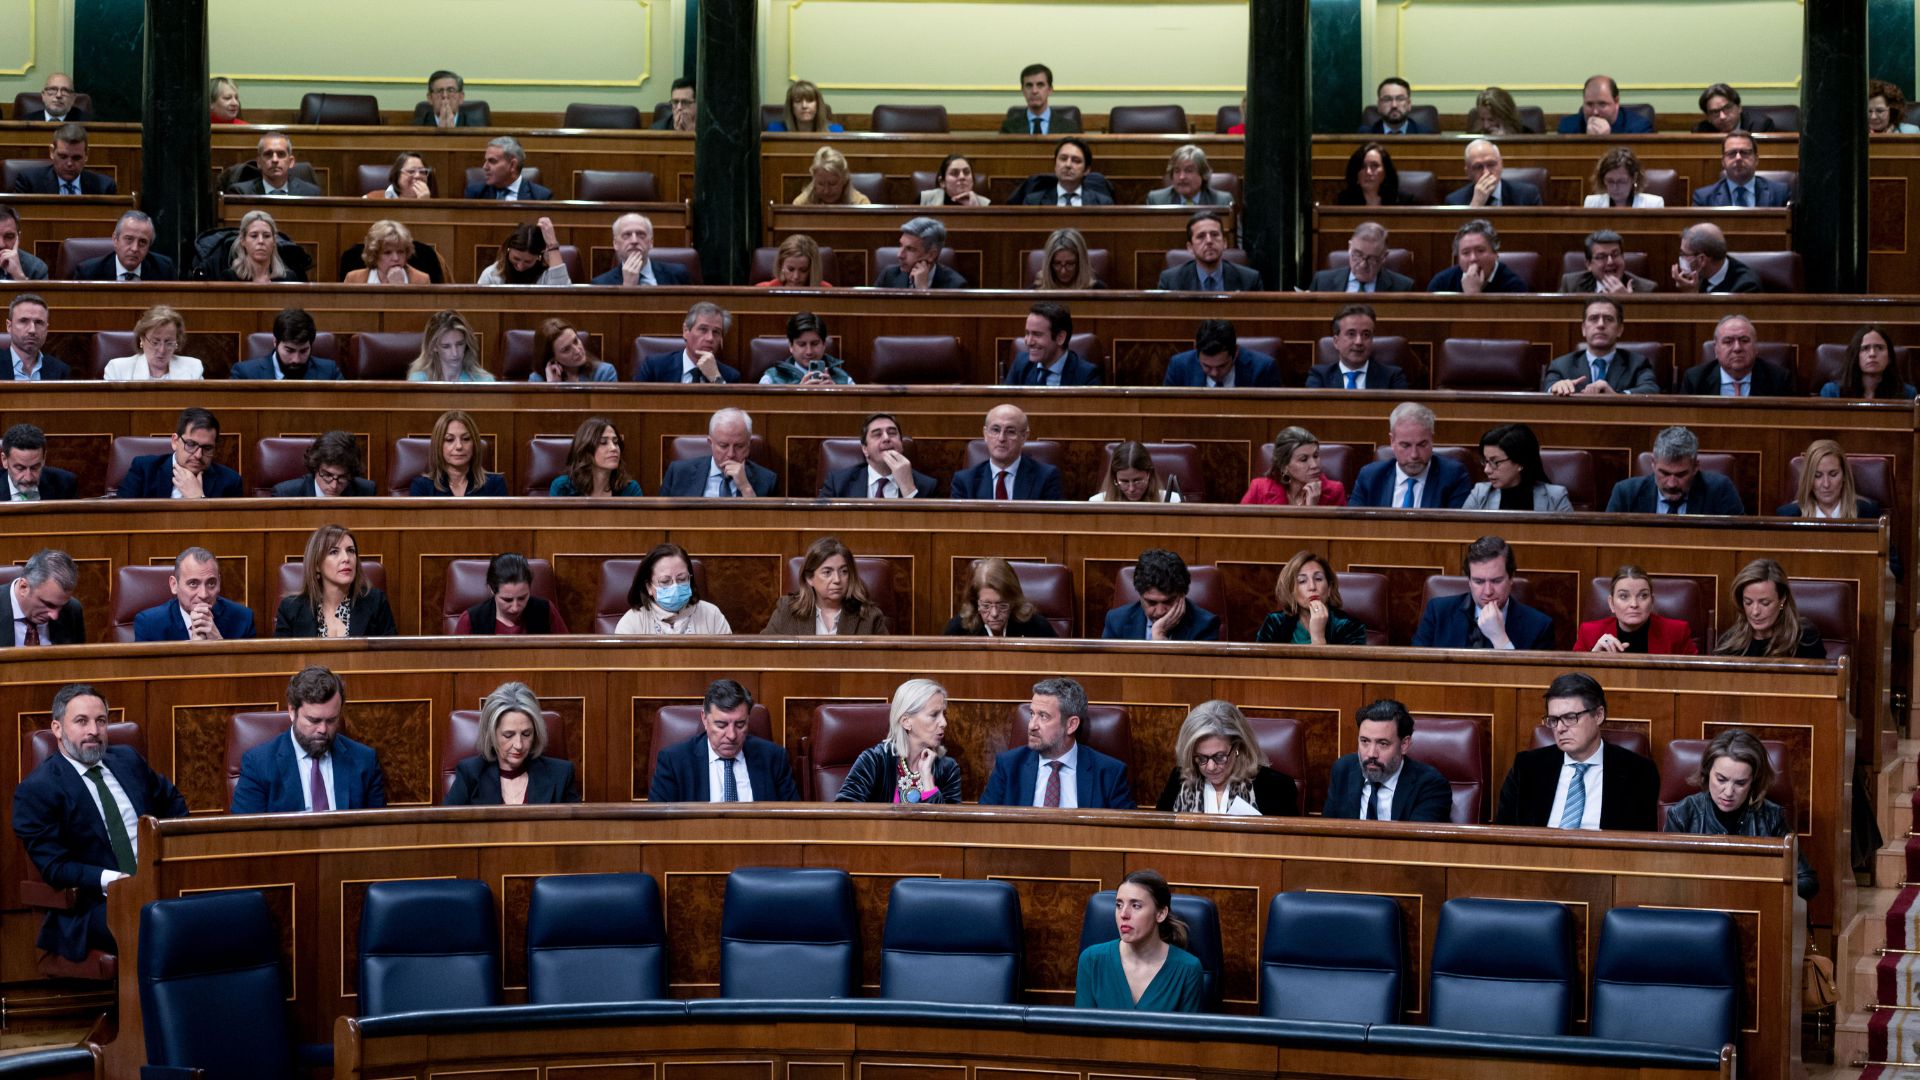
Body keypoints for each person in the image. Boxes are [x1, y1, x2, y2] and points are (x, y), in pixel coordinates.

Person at [12, 683, 186, 964]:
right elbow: (55, 867)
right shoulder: (38, 789)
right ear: (57, 728)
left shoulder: (128, 761)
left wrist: (175, 859)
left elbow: (173, 803)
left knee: (225, 913)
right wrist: (113, 880)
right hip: (95, 905)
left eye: (101, 721)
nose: (94, 730)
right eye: (81, 721)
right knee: (162, 926)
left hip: (159, 886)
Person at [1493, 672, 1659, 830]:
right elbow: (1503, 834)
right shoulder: (1526, 768)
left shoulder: (1639, 772)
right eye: (1554, 720)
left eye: (1570, 717)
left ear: (1599, 715)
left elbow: (1640, 846)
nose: (1560, 728)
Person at [1664, 729, 1817, 899]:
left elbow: (1807, 881)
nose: (1729, 792)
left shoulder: (1771, 817)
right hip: (1700, 912)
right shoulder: (1682, 814)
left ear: (1754, 781)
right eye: (1721, 779)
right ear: (1707, 773)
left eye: (1741, 783)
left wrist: (1758, 891)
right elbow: (1666, 880)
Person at [230, 666, 388, 813]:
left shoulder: (365, 761)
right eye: (314, 720)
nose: (323, 730)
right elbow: (245, 838)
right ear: (292, 711)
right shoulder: (259, 765)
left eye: (332, 720)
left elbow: (378, 835)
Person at [981, 677, 1133, 807]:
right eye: (1032, 714)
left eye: (1043, 716)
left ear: (1071, 725)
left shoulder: (1109, 774)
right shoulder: (1008, 767)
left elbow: (1126, 835)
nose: (1032, 725)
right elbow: (982, 828)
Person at [649, 679, 803, 802]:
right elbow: (659, 827)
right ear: (704, 718)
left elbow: (793, 822)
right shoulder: (674, 762)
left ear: (748, 719)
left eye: (740, 724)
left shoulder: (774, 758)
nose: (732, 735)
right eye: (721, 725)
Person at [1074, 869, 1203, 1013]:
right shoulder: (1091, 960)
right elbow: (1083, 1031)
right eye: (1119, 905)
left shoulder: (1188, 969)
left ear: (1160, 914)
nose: (1123, 914)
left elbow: (1187, 1034)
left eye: (1136, 906)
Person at [1411, 535, 1557, 650]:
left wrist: (1500, 638)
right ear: (1469, 580)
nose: (1488, 592)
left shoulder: (1539, 626)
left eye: (1496, 581)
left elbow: (1531, 684)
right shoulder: (1437, 613)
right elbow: (1417, 671)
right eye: (1479, 582)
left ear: (1511, 578)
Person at [444, 682, 579, 805]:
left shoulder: (561, 774)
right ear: (491, 735)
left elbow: (576, 829)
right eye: (508, 735)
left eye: (526, 734)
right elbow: (446, 828)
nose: (519, 745)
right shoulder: (470, 773)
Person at [1154, 701, 1297, 815]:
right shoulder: (1179, 780)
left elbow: (1287, 846)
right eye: (1201, 758)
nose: (1210, 766)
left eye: (1220, 756)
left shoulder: (1275, 787)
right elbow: (1158, 835)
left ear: (1238, 747)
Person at [1322, 700, 1453, 821]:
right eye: (1365, 741)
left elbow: (1417, 845)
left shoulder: (1429, 785)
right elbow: (1325, 835)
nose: (1371, 753)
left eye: (1383, 743)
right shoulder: (1343, 771)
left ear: (1404, 745)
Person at [837, 679, 962, 803]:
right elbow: (845, 813)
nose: (944, 723)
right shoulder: (874, 761)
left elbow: (948, 822)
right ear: (906, 722)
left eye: (943, 714)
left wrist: (928, 781)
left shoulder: (948, 768)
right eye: (934, 715)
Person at [273, 525, 397, 638]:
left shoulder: (376, 602)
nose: (346, 558)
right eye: (334, 552)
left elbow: (391, 656)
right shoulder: (290, 609)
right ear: (317, 565)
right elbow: (281, 660)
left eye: (351, 551)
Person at [1351, 402, 1473, 509]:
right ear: (1392, 441)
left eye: (1422, 445)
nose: (1414, 455)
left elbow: (1456, 531)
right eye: (1406, 445)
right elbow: (1353, 527)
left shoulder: (1453, 476)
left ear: (1432, 439)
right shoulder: (1370, 477)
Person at [761, 536, 892, 634]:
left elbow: (886, 663)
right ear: (809, 578)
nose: (837, 579)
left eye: (844, 572)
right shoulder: (787, 611)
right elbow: (763, 654)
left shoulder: (869, 617)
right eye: (827, 572)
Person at [1604, 426, 1747, 515]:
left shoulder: (1720, 491)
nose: (1671, 484)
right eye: (1664, 473)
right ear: (1653, 464)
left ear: (1696, 467)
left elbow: (1740, 539)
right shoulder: (1625, 494)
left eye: (1681, 474)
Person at [132, 547, 255, 642]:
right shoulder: (149, 624)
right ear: (174, 585)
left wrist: (218, 643)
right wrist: (191, 649)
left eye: (211, 583)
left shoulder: (242, 619)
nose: (203, 594)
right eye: (193, 584)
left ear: (219, 583)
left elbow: (250, 672)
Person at [1544, 298, 1661, 395]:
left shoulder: (1637, 363)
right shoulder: (1561, 366)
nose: (1600, 325)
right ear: (1583, 329)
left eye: (1608, 319)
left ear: (1620, 329)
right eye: (1593, 318)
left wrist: (1616, 396)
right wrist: (1555, 388)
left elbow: (1651, 390)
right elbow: (1547, 391)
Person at [1575, 564, 1699, 655]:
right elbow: (1572, 682)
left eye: (1643, 596)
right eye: (1624, 596)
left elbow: (1695, 678)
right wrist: (1591, 657)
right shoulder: (1589, 633)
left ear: (1652, 602)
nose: (1634, 604)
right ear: (1611, 603)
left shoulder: (1677, 632)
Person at [1715, 559, 1826, 659]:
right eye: (1748, 602)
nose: (1755, 612)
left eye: (1765, 603)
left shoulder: (1805, 637)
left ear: (1782, 599)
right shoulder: (1730, 642)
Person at [118, 407, 240, 498]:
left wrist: (199, 499)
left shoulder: (230, 482)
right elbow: (121, 519)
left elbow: (229, 530)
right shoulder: (144, 469)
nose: (198, 455)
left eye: (207, 448)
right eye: (191, 445)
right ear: (175, 442)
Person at [1102, 549, 1219, 641]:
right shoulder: (1116, 621)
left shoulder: (1205, 626)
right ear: (1140, 595)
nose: (1160, 612)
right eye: (1151, 603)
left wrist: (1159, 635)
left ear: (1182, 595)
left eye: (1168, 602)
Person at [951, 404, 1064, 500]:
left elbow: (1052, 523)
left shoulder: (1046, 477)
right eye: (995, 430)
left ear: (1024, 436)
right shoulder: (964, 481)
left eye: (1010, 432)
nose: (1001, 438)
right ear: (985, 434)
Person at [1255, 550, 1368, 645]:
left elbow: (1348, 670)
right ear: (1291, 591)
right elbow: (1260, 666)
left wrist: (1318, 636)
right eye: (1302, 581)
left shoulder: (1350, 627)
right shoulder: (1274, 623)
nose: (1312, 587)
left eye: (1318, 579)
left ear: (1329, 588)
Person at [616, 542, 731, 634]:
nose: (675, 587)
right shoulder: (632, 623)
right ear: (649, 587)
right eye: (665, 581)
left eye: (682, 579)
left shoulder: (712, 615)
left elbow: (727, 660)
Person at [816, 413, 939, 498]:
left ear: (901, 445)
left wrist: (908, 488)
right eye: (877, 434)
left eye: (892, 433)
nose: (886, 438)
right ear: (865, 449)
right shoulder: (838, 483)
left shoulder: (927, 486)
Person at [663, 408, 779, 498]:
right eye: (723, 446)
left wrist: (745, 488)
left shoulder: (767, 480)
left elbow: (765, 526)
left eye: (739, 446)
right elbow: (660, 518)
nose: (731, 454)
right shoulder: (679, 473)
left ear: (748, 445)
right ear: (710, 443)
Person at [1461, 423, 1572, 511]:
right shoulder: (1480, 494)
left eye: (1495, 462)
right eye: (1486, 461)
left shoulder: (1555, 497)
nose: (1487, 470)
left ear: (1520, 462)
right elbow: (1464, 535)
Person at [452, 553, 570, 635]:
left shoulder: (546, 611)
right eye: (507, 600)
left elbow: (567, 656)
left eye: (522, 598)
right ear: (492, 590)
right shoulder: (471, 620)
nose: (515, 608)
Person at [1778, 438, 1886, 524]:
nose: (1826, 484)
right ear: (1808, 479)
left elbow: (1887, 551)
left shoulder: (1868, 512)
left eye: (1833, 474)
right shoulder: (1788, 516)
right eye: (1817, 476)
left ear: (1844, 475)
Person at [1680, 314, 1792, 396]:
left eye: (1744, 340)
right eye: (1728, 342)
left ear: (1756, 347)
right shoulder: (1694, 380)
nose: (1737, 348)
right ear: (1716, 349)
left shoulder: (1779, 379)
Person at [945, 558, 1059, 637]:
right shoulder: (958, 629)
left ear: (1013, 602)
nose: (994, 613)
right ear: (976, 603)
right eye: (986, 605)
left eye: (1002, 605)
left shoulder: (1036, 626)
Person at [634, 302, 741, 383]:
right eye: (703, 329)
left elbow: (731, 410)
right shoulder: (655, 367)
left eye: (716, 332)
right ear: (686, 331)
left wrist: (716, 379)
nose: (710, 338)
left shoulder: (730, 376)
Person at [1307, 302, 1409, 385]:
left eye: (1366, 335)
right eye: (1351, 334)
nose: (1359, 342)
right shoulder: (1319, 376)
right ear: (1336, 341)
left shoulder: (1393, 377)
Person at [409, 409, 506, 496]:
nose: (459, 446)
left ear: (475, 444)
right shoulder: (422, 487)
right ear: (438, 445)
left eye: (466, 439)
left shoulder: (495, 484)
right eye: (449, 439)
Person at [1157, 212, 1262, 292]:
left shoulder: (1249, 279)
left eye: (1214, 234)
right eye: (1201, 236)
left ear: (1224, 243)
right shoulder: (1170, 281)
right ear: (1190, 247)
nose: (1209, 241)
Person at [1242, 427, 1346, 506]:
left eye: (1316, 456)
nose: (1314, 465)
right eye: (1303, 459)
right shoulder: (1259, 489)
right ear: (1284, 467)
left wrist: (1313, 511)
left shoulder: (1334, 492)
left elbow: (1338, 533)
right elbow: (1240, 528)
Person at [1006, 300, 1101, 385]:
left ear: (1060, 338)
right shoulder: (1020, 365)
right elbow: (1005, 403)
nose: (1029, 341)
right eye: (1027, 333)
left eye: (1037, 334)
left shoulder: (1086, 375)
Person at [1164, 318, 1280, 388]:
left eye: (1222, 366)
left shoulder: (1264, 369)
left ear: (1236, 352)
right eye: (1207, 366)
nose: (1214, 373)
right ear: (1196, 349)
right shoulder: (1178, 367)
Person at [233, 307, 341, 381]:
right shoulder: (244, 374)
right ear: (275, 342)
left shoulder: (329, 372)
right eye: (289, 350)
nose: (296, 360)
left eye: (303, 351)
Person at [103, 305, 203, 381]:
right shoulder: (117, 370)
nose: (162, 350)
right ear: (142, 339)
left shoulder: (193, 368)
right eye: (155, 342)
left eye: (169, 343)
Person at [1426, 219, 1528, 294]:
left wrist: (1473, 294)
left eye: (1480, 251)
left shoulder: (1514, 287)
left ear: (1495, 253)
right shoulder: (1441, 283)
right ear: (1458, 258)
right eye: (1466, 253)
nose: (1473, 258)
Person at [1309, 223, 1415, 294]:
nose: (1363, 264)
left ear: (1384, 257)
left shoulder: (1403, 287)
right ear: (1349, 247)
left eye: (1372, 258)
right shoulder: (1322, 282)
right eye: (1358, 255)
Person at [8, 124, 115, 195]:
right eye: (63, 156)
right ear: (51, 152)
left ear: (86, 154)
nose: (69, 164)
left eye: (76, 158)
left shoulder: (104, 187)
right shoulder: (30, 183)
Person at [591, 213, 692, 286]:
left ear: (650, 242)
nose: (634, 240)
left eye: (641, 235)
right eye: (627, 235)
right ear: (616, 244)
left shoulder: (677, 274)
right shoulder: (601, 284)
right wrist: (628, 288)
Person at [549, 417, 642, 496]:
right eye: (603, 442)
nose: (613, 448)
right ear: (586, 449)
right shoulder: (563, 487)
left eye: (615, 442)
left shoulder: (630, 489)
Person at [7, 549, 85, 645]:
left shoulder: (72, 610)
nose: (54, 616)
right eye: (48, 604)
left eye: (61, 606)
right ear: (24, 587)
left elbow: (77, 659)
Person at [1692, 132, 1788, 207]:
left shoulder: (1780, 193)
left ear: (1756, 159)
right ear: (1723, 161)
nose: (1738, 158)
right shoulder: (1704, 198)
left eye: (1744, 152)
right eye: (1732, 153)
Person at [74, 210, 175, 282]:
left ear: (150, 245)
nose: (135, 248)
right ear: (115, 239)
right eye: (129, 239)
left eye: (142, 242)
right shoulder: (88, 273)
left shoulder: (164, 270)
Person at [1011, 137, 1116, 205]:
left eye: (1076, 160)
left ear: (1087, 170)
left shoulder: (1103, 203)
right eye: (1063, 158)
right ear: (1055, 165)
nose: (1068, 165)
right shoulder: (1033, 201)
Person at [873, 217, 970, 289]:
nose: (899, 255)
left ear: (931, 255)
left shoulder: (956, 286)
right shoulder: (889, 275)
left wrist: (923, 290)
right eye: (901, 245)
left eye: (910, 249)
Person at [1822, 324, 1915, 398]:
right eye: (1865, 348)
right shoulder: (1832, 392)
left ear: (1889, 356)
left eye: (1879, 348)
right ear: (1855, 356)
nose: (1872, 354)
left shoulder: (1908, 394)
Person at [760, 310, 851, 385]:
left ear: (824, 345)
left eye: (814, 343)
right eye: (802, 344)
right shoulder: (770, 380)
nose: (809, 352)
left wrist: (837, 396)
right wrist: (799, 395)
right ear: (791, 346)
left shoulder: (844, 379)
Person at [273, 430, 374, 497]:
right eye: (327, 475)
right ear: (315, 468)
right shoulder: (285, 494)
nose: (334, 486)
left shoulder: (366, 491)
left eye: (342, 477)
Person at [1670, 222, 1762, 294]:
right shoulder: (1697, 275)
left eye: (1683, 253)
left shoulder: (1746, 287)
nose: (1681, 257)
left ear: (1701, 259)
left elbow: (1719, 317)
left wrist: (1692, 295)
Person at [1444, 140, 1542, 207]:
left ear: (1501, 165)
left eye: (1491, 164)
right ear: (1468, 172)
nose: (1486, 172)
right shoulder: (1454, 201)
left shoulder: (1528, 195)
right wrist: (1476, 204)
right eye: (1478, 167)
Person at [216, 209, 304, 283]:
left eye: (266, 236)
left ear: (274, 240)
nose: (261, 241)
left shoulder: (289, 278)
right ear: (243, 240)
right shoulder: (229, 278)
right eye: (254, 236)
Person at [1558, 229, 1656, 295]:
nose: (1610, 262)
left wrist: (1627, 302)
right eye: (1602, 257)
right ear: (1589, 265)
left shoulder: (1646, 289)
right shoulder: (1570, 285)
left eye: (1615, 254)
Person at [405, 309, 492, 383]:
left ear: (467, 343)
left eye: (460, 344)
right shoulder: (419, 381)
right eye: (446, 346)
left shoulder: (484, 381)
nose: (455, 353)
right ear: (433, 347)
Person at [476, 219, 570, 286]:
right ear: (507, 251)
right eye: (516, 259)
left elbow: (563, 299)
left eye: (528, 261)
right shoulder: (491, 275)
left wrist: (552, 244)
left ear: (539, 257)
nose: (520, 267)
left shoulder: (546, 275)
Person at [528, 317, 617, 382]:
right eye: (566, 349)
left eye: (575, 341)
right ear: (552, 357)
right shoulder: (537, 380)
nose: (578, 351)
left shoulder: (604, 373)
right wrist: (553, 387)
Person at [3, 423, 78, 501]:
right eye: (20, 468)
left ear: (44, 458)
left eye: (34, 468)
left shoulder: (65, 483)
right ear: (4, 460)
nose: (28, 478)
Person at [1557, 75, 1654, 135]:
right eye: (1589, 104)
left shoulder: (1639, 128)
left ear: (1616, 102)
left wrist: (1607, 139)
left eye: (1602, 104)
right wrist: (1587, 141)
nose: (1595, 112)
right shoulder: (1567, 127)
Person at [1090, 442, 1182, 503]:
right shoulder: (1097, 503)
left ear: (1149, 474)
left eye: (1137, 481)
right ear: (1115, 478)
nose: (1131, 489)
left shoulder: (1173, 501)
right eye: (1124, 482)